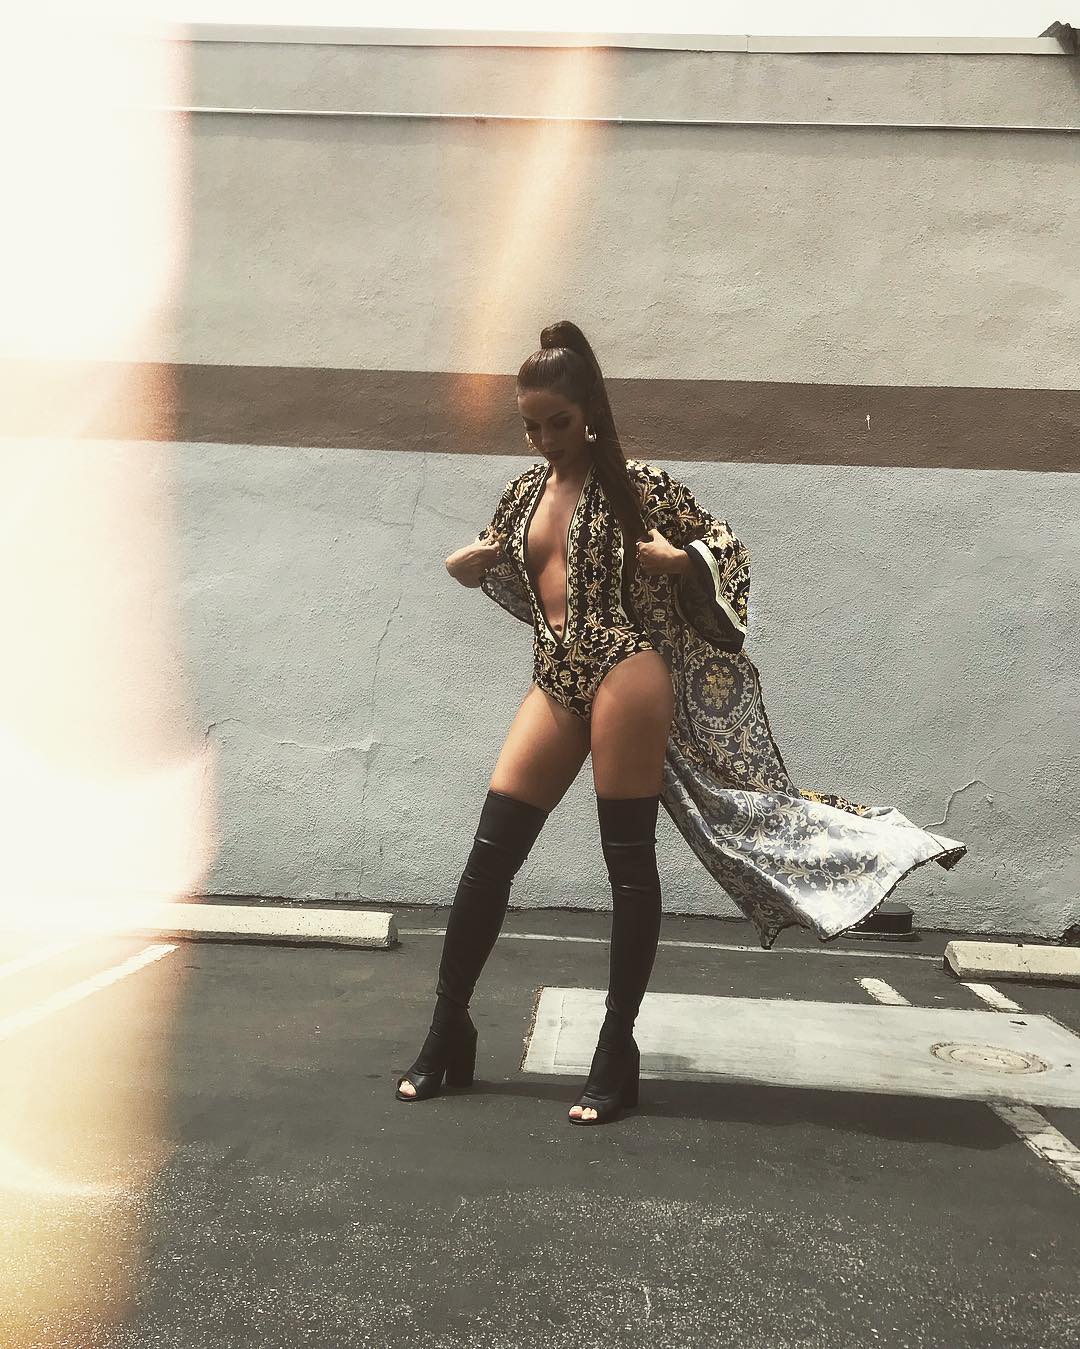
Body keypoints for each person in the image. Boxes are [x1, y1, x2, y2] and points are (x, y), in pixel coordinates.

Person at [395, 319, 966, 1125]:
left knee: (626, 863)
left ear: (590, 411)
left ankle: (615, 1045)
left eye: (559, 421)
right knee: (489, 858)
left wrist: (682, 560)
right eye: (531, 425)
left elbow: (726, 548)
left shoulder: (641, 486)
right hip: (556, 674)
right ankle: (448, 1026)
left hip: (628, 670)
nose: (546, 438)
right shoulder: (523, 493)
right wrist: (468, 562)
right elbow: (501, 558)